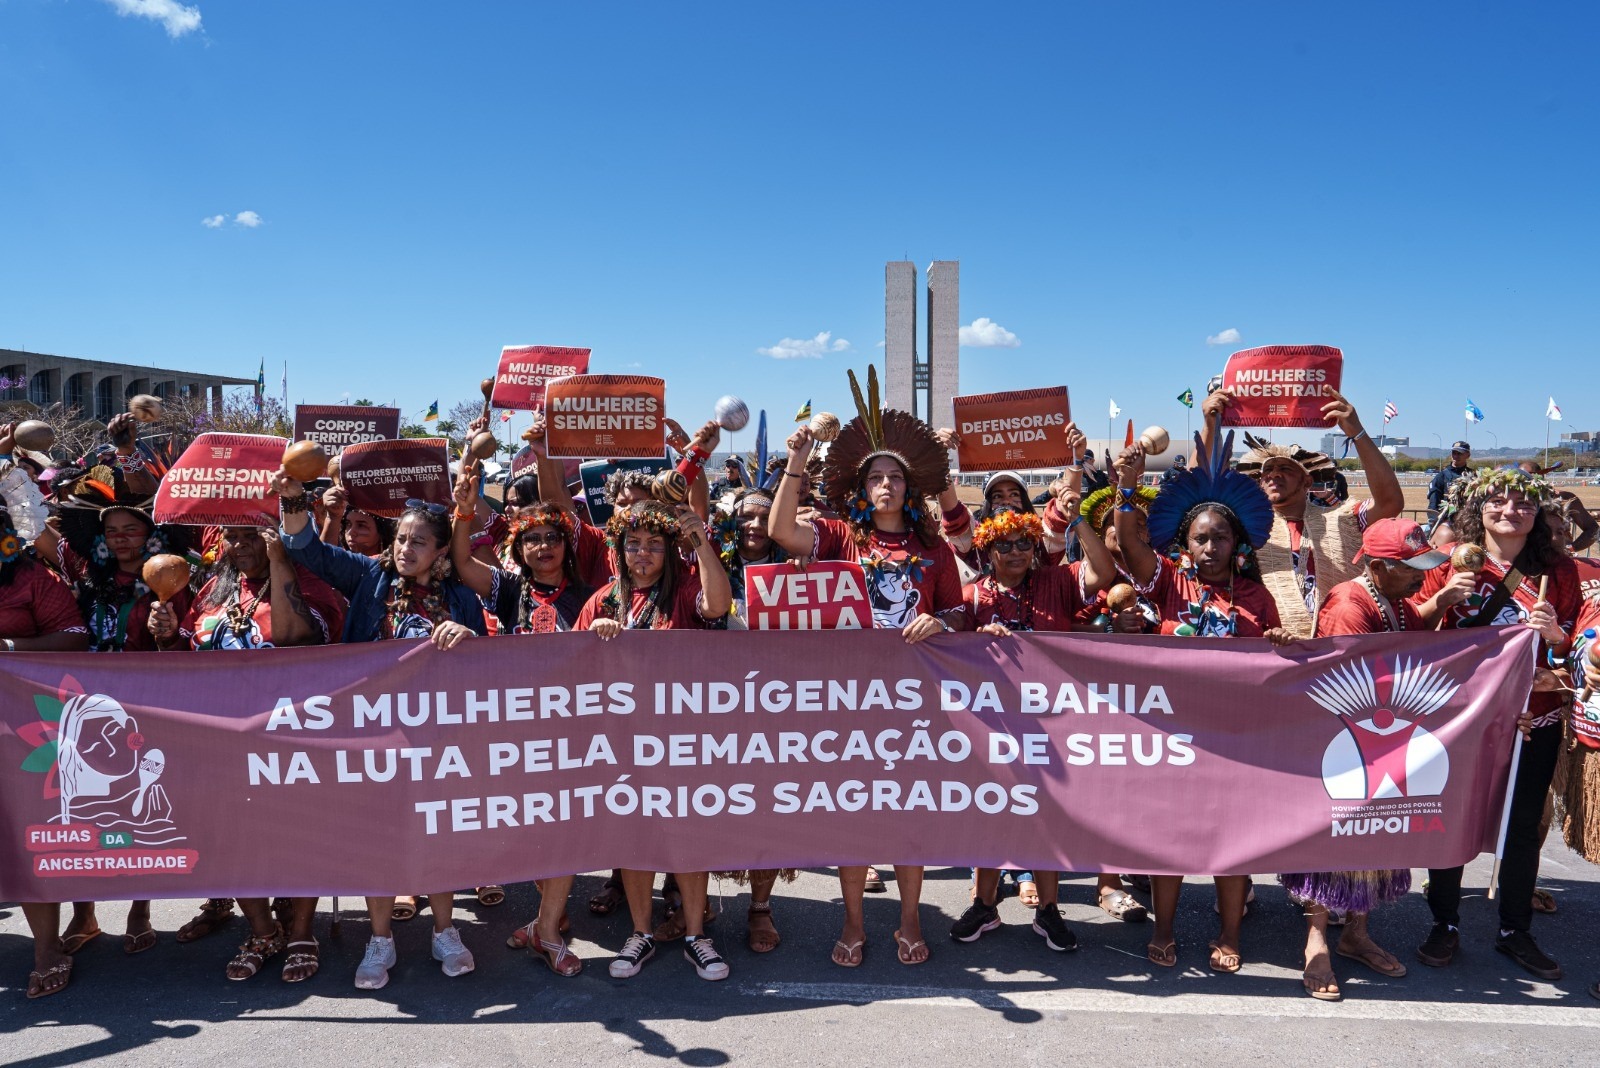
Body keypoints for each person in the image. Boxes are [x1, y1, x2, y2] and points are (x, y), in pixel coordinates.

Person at [769, 366, 966, 968]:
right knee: (854, 814)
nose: (886, 485)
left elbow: (960, 611)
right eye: (876, 477)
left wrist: (940, 624)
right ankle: (853, 923)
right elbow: (779, 531)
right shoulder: (836, 536)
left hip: (917, 700)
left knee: (908, 817)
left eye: (896, 477)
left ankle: (909, 919)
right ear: (863, 487)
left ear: (911, 488)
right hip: (849, 700)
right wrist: (798, 461)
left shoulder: (932, 549)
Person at [275, 472, 488, 989]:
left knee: (439, 834)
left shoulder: (461, 597)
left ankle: (445, 931)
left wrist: (468, 636)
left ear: (440, 552)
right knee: (378, 836)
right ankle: (380, 939)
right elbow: (306, 548)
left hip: (440, 740)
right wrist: (292, 501)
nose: (404, 548)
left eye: (418, 541)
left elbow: (490, 666)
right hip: (374, 735)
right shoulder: (369, 577)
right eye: (400, 539)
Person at [1113, 432, 1292, 973]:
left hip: (1238, 743)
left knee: (1230, 843)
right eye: (1199, 538)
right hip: (1174, 737)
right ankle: (1164, 929)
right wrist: (1126, 484)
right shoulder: (1169, 583)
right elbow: (1127, 544)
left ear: (1237, 542)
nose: (1209, 547)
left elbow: (1277, 666)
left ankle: (1229, 932)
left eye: (1219, 538)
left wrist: (1281, 646)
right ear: (1184, 545)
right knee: (1169, 840)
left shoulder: (1258, 597)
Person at [147, 520, 346, 984]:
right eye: (232, 536)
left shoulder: (310, 584)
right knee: (229, 837)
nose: (240, 546)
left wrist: (280, 564)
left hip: (289, 742)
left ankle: (300, 932)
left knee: (297, 837)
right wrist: (169, 636)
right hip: (218, 743)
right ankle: (261, 930)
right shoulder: (213, 590)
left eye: (253, 535)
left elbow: (297, 637)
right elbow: (189, 660)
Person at [1409, 466, 1579, 980]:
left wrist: (1554, 636)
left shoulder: (1562, 572)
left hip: (1533, 718)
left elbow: (1579, 648)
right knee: (1451, 815)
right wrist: (1441, 600)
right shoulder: (1444, 562)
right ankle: (1444, 923)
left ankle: (1514, 929)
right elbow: (1407, 629)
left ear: (1538, 512)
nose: (1509, 511)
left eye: (1522, 504)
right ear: (1476, 507)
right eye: (1497, 502)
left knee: (1524, 825)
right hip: (1463, 719)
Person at [1281, 517, 1445, 1000]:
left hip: (1382, 736)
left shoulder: (1393, 598)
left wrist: (1446, 603)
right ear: (1377, 566)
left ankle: (1355, 933)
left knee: (1374, 836)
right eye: (1412, 567)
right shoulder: (1350, 603)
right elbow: (1349, 683)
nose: (1422, 575)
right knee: (1335, 840)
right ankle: (1316, 940)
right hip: (1347, 744)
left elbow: (1415, 639)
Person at [572, 500, 734, 981]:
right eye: (634, 544)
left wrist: (700, 541)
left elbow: (720, 605)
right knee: (634, 836)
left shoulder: (685, 591)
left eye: (655, 545)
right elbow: (573, 673)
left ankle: (695, 935)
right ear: (619, 550)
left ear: (670, 552)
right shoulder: (600, 600)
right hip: (621, 744)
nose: (643, 554)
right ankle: (640, 932)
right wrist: (596, 641)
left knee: (687, 837)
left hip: (683, 741)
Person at [955, 504, 1116, 952]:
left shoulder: (1057, 582)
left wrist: (1077, 518)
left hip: (1052, 727)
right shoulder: (972, 597)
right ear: (987, 551)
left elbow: (1103, 572)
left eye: (1024, 543)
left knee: (1047, 818)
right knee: (989, 813)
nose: (1015, 552)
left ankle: (1048, 911)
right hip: (991, 727)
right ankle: (985, 904)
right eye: (1004, 545)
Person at [1204, 387, 1403, 637]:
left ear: (1307, 482)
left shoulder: (1343, 518)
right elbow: (1193, 498)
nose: (1274, 474)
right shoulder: (1240, 525)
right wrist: (1211, 427)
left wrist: (1357, 432)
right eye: (1268, 470)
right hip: (1267, 649)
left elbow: (1390, 503)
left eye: (1285, 469)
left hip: (1340, 646)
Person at [4, 501, 95, 998]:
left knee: (23, 832)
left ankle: (46, 948)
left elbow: (77, 636)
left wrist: (9, 648)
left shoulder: (31, 578)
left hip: (16, 727)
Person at [1426, 441, 1472, 524]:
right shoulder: (1442, 475)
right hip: (1447, 519)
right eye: (1454, 453)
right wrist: (1433, 519)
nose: (1456, 456)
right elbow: (1434, 498)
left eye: (1459, 453)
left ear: (1468, 455)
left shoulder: (1473, 476)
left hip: (1468, 518)